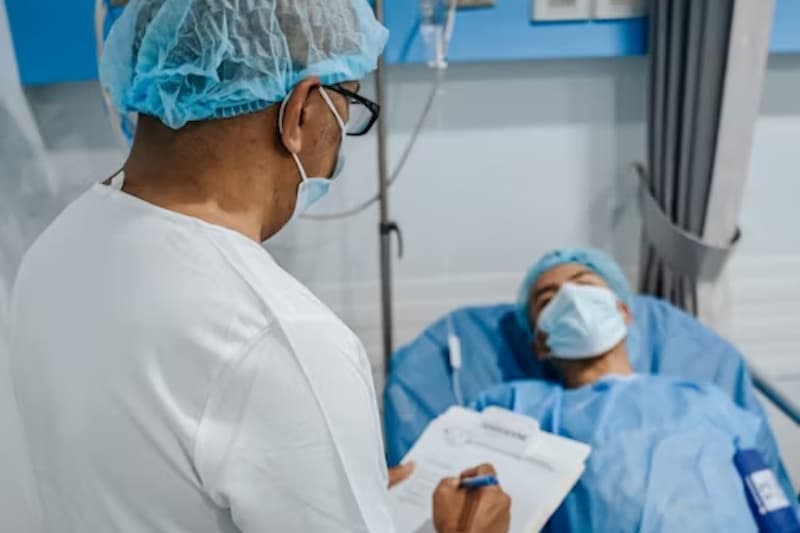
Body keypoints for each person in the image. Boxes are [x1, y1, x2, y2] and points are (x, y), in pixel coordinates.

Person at [9, 1, 510, 531]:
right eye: (348, 106)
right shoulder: (280, 338)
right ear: (301, 111)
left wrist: (332, 483)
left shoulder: (60, 246)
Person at [474, 248, 798, 532]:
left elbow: (770, 499)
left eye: (584, 285)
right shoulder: (515, 405)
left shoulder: (706, 399)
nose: (570, 298)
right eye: (548, 299)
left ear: (624, 312)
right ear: (540, 344)